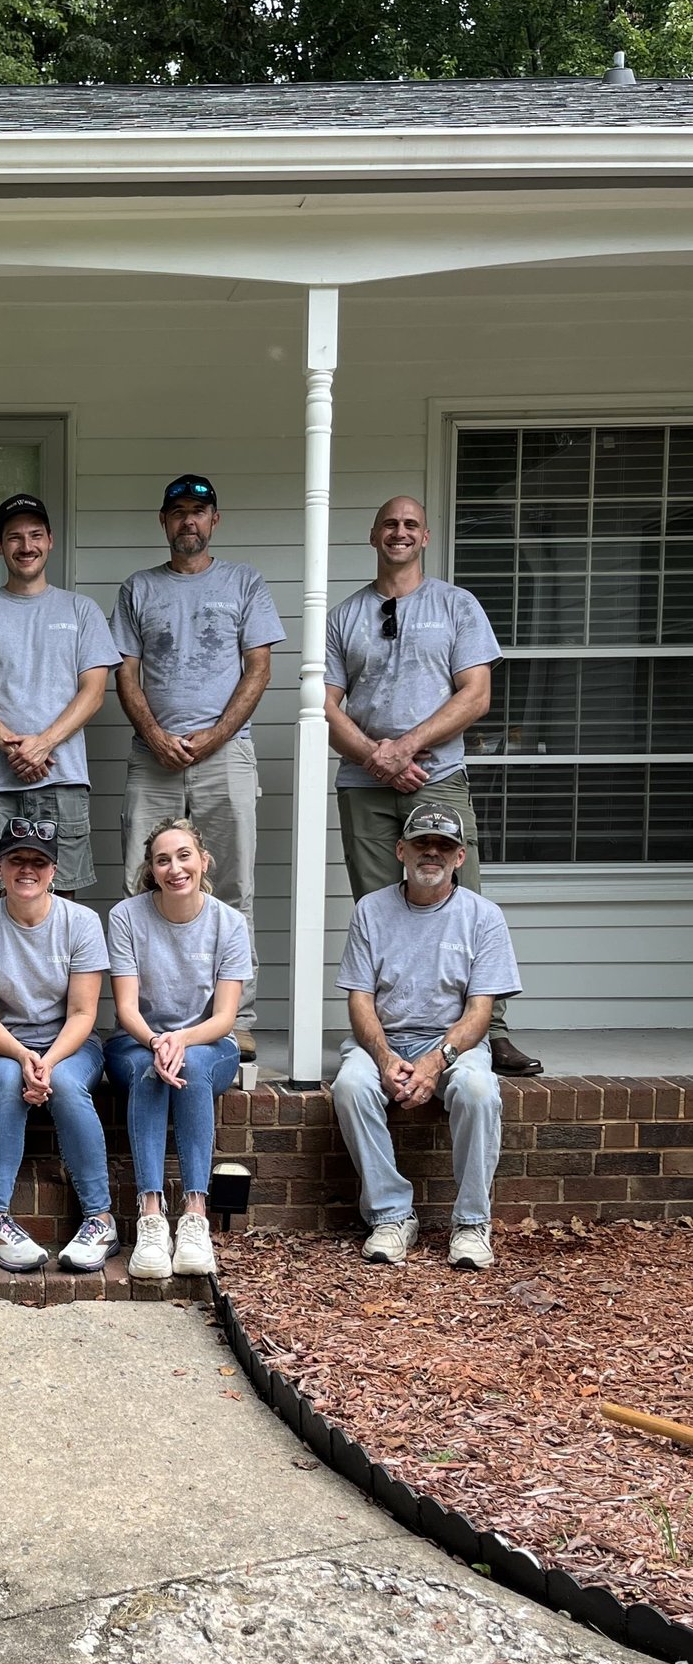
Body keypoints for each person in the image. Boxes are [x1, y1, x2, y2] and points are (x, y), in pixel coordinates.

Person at [324, 494, 539, 1076]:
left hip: (437, 778)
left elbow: (476, 695)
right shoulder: (344, 615)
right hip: (364, 783)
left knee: (462, 902)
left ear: (425, 537)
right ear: (373, 535)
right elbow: (324, 704)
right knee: (378, 905)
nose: (400, 532)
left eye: (411, 525)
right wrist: (376, 755)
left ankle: (488, 1033)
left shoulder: (457, 606)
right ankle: (387, 1037)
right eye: (389, 523)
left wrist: (405, 747)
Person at [112, 474, 282, 1061]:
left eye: (199, 512)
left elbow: (258, 669)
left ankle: (237, 1017)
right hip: (151, 754)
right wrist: (155, 734)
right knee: (141, 878)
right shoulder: (138, 589)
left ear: (215, 521)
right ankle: (136, 1017)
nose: (189, 521)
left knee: (231, 882)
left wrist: (214, 735)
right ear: (164, 521)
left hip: (225, 752)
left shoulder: (244, 583)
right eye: (179, 511)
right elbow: (125, 674)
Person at [332, 802, 522, 1271]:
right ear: (401, 850)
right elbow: (360, 1000)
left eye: (444, 845)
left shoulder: (483, 917)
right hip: (385, 1038)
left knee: (478, 1089)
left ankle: (473, 1223)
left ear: (460, 857)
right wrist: (383, 1057)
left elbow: (480, 1012)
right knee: (351, 1087)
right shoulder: (370, 911)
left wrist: (437, 1061)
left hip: (455, 1042)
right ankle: (392, 1216)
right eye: (422, 843)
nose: (431, 853)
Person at [0, 495, 120, 903]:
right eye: (14, 537)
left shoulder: (81, 611)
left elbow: (94, 692)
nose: (26, 545)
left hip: (63, 778)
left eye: (35, 535)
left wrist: (44, 743)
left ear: (50, 540)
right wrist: (14, 746)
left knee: (61, 901)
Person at [0, 820, 117, 1273]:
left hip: (70, 1043)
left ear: (54, 871)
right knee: (7, 1082)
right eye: (17, 860)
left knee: (65, 1084)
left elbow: (84, 1014)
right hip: (2, 1045)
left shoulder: (81, 923)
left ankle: (100, 1219)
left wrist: (46, 1060)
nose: (27, 869)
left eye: (38, 861)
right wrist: (24, 1056)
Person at [105, 817, 251, 1282]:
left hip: (209, 1043)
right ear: (151, 869)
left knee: (186, 1065)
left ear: (203, 860)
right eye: (162, 859)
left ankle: (194, 1218)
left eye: (184, 855)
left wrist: (179, 1041)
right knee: (152, 1071)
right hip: (136, 1041)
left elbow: (225, 1017)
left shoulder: (229, 923)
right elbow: (126, 1008)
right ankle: (150, 1216)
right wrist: (155, 1042)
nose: (175, 868)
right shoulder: (126, 917)